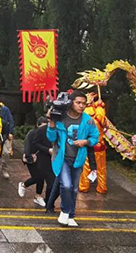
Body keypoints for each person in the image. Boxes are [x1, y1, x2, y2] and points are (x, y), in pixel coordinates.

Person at [46, 90, 99, 227]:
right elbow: (51, 138)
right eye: (78, 103)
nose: (81, 106)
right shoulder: (61, 118)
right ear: (71, 103)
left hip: (78, 159)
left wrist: (85, 142)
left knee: (74, 189)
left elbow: (95, 137)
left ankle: (70, 215)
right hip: (62, 158)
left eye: (84, 103)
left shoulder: (88, 120)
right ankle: (64, 212)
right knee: (66, 185)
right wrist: (51, 123)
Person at [18, 117, 48, 207]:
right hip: (31, 158)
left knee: (42, 177)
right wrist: (28, 156)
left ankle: (38, 196)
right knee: (37, 177)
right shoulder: (32, 133)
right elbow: (27, 145)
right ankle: (24, 185)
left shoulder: (48, 134)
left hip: (42, 158)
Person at [0, 95, 15, 179]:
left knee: (6, 152)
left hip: (4, 134)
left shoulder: (5, 109)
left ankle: (4, 168)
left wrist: (10, 132)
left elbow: (10, 121)